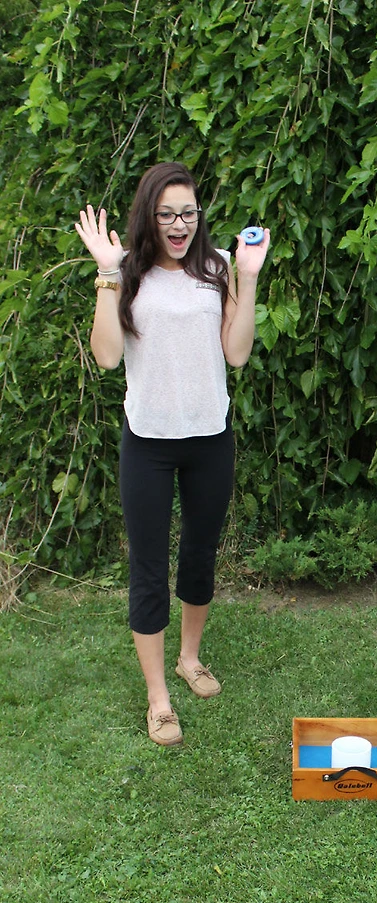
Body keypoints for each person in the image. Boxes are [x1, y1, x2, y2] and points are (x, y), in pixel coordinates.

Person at [75, 162, 270, 746]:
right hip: (149, 441)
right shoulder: (127, 273)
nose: (180, 225)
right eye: (167, 215)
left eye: (188, 213)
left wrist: (247, 278)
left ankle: (189, 658)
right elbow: (106, 356)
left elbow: (237, 353)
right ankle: (158, 697)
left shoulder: (217, 268)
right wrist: (106, 273)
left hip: (209, 435)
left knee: (200, 554)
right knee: (148, 566)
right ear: (149, 217)